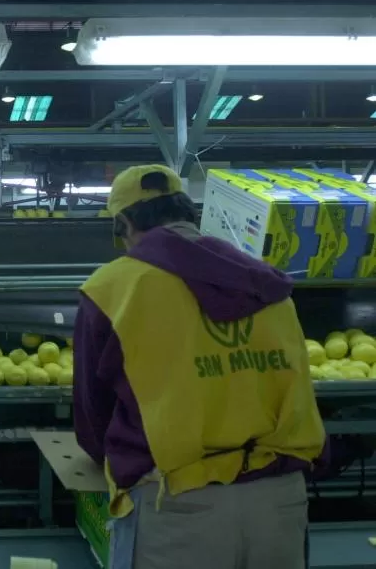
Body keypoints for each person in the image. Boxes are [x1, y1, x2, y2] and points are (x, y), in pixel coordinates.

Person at [73, 164, 327, 569]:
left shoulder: (114, 289)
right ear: (188, 211)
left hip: (178, 507)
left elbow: (93, 412)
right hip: (281, 503)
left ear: (123, 223)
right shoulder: (270, 285)